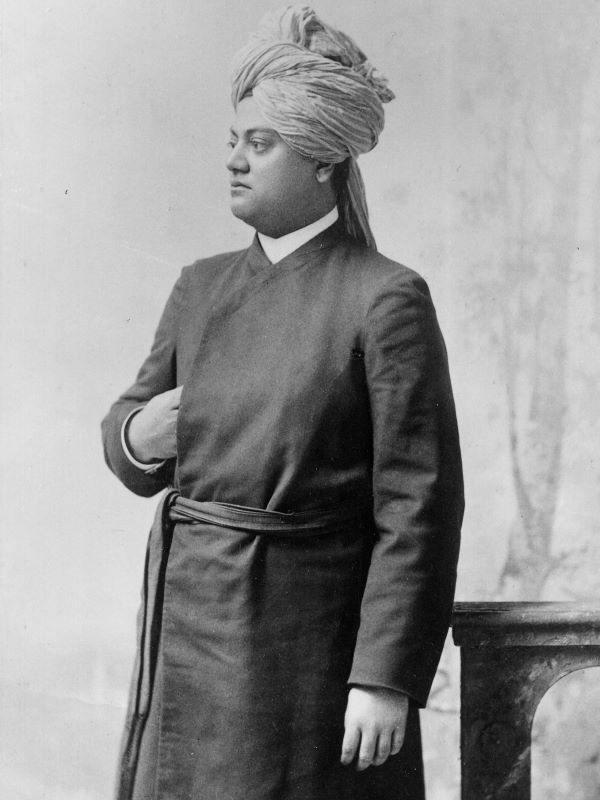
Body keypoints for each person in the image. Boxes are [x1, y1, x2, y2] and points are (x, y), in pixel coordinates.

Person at [101, 7, 463, 800]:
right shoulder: (199, 287)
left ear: (325, 158)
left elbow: (420, 509)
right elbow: (127, 445)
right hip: (186, 650)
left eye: (259, 144)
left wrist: (384, 679)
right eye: (233, 140)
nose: (234, 161)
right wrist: (139, 435)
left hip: (305, 663)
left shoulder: (384, 298)